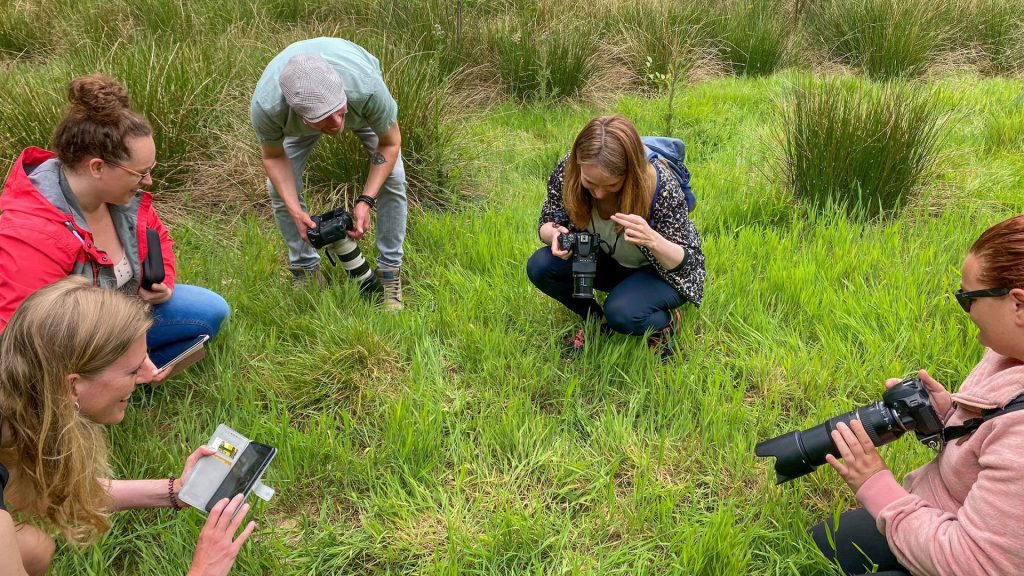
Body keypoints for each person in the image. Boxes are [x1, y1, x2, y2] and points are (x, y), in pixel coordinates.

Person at [811, 214, 1024, 575]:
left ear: (1018, 304)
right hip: (944, 510)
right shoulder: (1010, 350)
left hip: (968, 558)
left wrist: (876, 485)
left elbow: (977, 565)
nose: (965, 308)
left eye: (968, 298)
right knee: (824, 544)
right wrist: (953, 418)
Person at [0, 277, 254, 575]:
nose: (149, 374)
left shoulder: (20, 399)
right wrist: (204, 570)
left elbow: (55, 490)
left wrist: (176, 491)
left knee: (34, 550)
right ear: (72, 386)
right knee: (29, 548)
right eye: (133, 369)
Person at [0, 74, 229, 382]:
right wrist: (122, 358)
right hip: (71, 346)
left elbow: (158, 238)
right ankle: (98, 388)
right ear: (97, 167)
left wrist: (162, 285)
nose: (148, 182)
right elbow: (25, 341)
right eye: (141, 173)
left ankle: (129, 377)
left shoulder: (121, 198)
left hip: (125, 319)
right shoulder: (30, 232)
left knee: (209, 309)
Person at [526, 115, 706, 358]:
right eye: (589, 182)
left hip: (659, 273)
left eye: (611, 185)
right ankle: (597, 323)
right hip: (607, 259)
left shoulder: (659, 186)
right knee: (541, 266)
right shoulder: (568, 170)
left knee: (621, 312)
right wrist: (554, 235)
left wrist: (652, 239)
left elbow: (688, 264)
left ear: (630, 173)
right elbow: (546, 221)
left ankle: (663, 324)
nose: (599, 193)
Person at [251, 37, 407, 310]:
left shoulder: (365, 87)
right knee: (278, 189)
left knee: (393, 177)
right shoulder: (268, 107)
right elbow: (274, 157)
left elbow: (390, 142)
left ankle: (389, 273)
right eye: (324, 117)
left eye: (338, 111)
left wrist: (366, 200)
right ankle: (306, 270)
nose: (337, 124)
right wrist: (296, 211)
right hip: (304, 119)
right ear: (300, 115)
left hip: (358, 100)